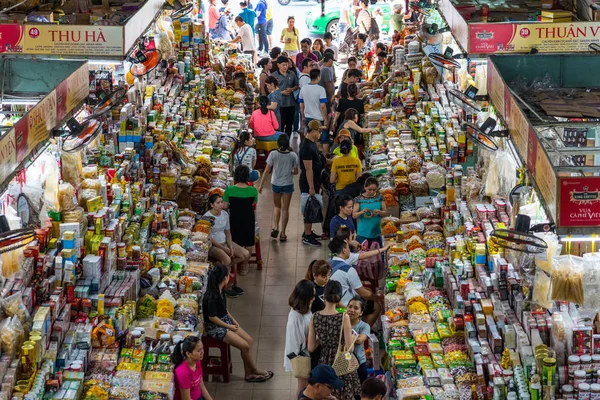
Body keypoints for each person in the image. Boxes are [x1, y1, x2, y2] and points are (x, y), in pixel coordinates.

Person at [203, 264, 274, 382]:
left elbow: (224, 310)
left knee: (249, 341)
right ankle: (254, 369)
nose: (230, 276)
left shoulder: (221, 291)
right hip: (215, 327)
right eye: (228, 275)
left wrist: (233, 321)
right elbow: (212, 318)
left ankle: (248, 374)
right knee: (244, 346)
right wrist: (229, 326)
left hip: (225, 321)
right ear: (224, 278)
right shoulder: (211, 296)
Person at [308, 280, 361, 400]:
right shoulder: (343, 317)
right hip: (341, 362)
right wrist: (352, 338)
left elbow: (311, 347)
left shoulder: (314, 317)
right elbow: (349, 348)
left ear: (324, 297)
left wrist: (323, 337)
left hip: (324, 362)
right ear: (339, 298)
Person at [328, 236, 383, 326]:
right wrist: (377, 298)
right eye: (348, 247)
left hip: (333, 302)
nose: (350, 249)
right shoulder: (348, 269)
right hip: (345, 305)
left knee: (368, 291)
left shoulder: (329, 263)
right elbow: (362, 293)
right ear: (344, 250)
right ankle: (362, 329)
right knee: (376, 305)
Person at [257, 134, 299, 242]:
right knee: (285, 208)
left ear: (278, 143)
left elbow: (266, 170)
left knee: (277, 206)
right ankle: (283, 233)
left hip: (276, 183)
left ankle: (276, 226)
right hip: (288, 184)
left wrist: (261, 184)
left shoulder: (273, 154)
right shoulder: (293, 155)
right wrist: (289, 171)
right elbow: (296, 171)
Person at [204, 194, 247, 297]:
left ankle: (219, 268)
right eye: (218, 203)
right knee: (227, 260)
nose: (221, 205)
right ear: (211, 205)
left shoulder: (225, 214)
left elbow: (227, 232)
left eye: (222, 202)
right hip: (213, 245)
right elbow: (209, 237)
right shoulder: (207, 217)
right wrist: (224, 248)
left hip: (224, 241)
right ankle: (227, 286)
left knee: (244, 255)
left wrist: (230, 247)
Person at [223, 165, 258, 275]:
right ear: (247, 176)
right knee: (249, 242)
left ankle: (235, 262)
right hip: (248, 219)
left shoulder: (229, 190)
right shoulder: (253, 190)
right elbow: (254, 203)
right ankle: (244, 266)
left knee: (235, 240)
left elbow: (225, 206)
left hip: (234, 220)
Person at [284, 280, 316, 397]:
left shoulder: (302, 308)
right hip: (301, 356)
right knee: (303, 387)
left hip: (302, 353)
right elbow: (306, 342)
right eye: (311, 296)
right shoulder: (297, 317)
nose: (314, 298)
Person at [300, 120, 325, 247]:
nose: (320, 133)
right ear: (313, 131)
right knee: (309, 208)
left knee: (312, 205)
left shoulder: (312, 143)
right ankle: (307, 236)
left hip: (314, 181)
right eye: (319, 131)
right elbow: (308, 169)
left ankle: (308, 232)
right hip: (307, 182)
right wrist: (311, 187)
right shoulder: (306, 147)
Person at [172, 336, 214, 400]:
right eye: (199, 350)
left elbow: (201, 386)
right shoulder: (183, 372)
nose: (202, 352)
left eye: (202, 348)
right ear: (188, 354)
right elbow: (186, 398)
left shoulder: (197, 362)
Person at [299, 69, 329, 152]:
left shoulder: (303, 88)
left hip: (308, 118)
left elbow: (301, 104)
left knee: (312, 138)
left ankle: (314, 156)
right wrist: (326, 119)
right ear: (318, 77)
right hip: (319, 119)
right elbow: (322, 106)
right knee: (324, 139)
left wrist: (302, 116)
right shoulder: (321, 89)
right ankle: (324, 157)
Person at [353, 176, 387, 247]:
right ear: (364, 187)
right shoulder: (358, 199)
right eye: (369, 189)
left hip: (376, 232)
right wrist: (362, 212)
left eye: (374, 190)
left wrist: (379, 212)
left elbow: (385, 213)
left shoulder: (380, 198)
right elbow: (354, 215)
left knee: (377, 255)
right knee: (364, 254)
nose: (372, 192)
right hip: (363, 233)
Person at [271, 55, 299, 136]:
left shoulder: (292, 74)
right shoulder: (273, 76)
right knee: (280, 125)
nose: (285, 67)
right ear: (278, 65)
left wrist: (292, 89)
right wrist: (281, 92)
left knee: (289, 125)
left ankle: (287, 143)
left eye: (286, 64)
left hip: (290, 104)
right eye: (283, 65)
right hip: (279, 105)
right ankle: (280, 143)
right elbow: (270, 90)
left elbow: (297, 85)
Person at [347, 297, 371, 383]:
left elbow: (360, 339)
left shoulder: (364, 326)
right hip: (343, 363)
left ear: (361, 313)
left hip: (359, 364)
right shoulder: (340, 323)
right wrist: (352, 337)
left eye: (356, 308)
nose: (351, 310)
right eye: (350, 307)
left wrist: (344, 336)